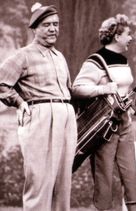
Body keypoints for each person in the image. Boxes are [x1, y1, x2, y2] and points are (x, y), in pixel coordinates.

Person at [0, 2, 77, 211]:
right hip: (40, 116)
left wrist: (101, 90)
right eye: (47, 25)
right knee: (39, 179)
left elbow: (69, 91)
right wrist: (18, 101)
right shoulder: (23, 55)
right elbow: (1, 82)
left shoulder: (59, 57)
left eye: (56, 24)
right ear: (34, 28)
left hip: (65, 117)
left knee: (63, 181)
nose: (53, 29)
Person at [72, 14, 136, 211]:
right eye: (128, 34)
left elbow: (124, 88)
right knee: (104, 173)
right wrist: (103, 89)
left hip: (125, 121)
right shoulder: (95, 61)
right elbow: (77, 88)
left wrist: (132, 102)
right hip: (104, 126)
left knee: (130, 172)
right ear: (117, 36)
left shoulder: (123, 60)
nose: (131, 38)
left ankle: (134, 208)